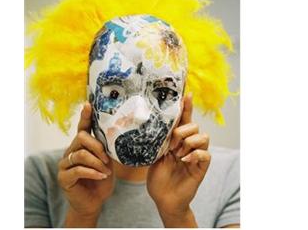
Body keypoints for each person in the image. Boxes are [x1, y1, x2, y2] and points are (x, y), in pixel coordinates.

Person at [24, 95, 240, 228]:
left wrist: (177, 215)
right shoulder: (40, 174)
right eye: (115, 93)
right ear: (88, 95)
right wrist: (82, 215)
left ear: (183, 99)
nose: (139, 116)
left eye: (163, 93)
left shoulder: (232, 173)